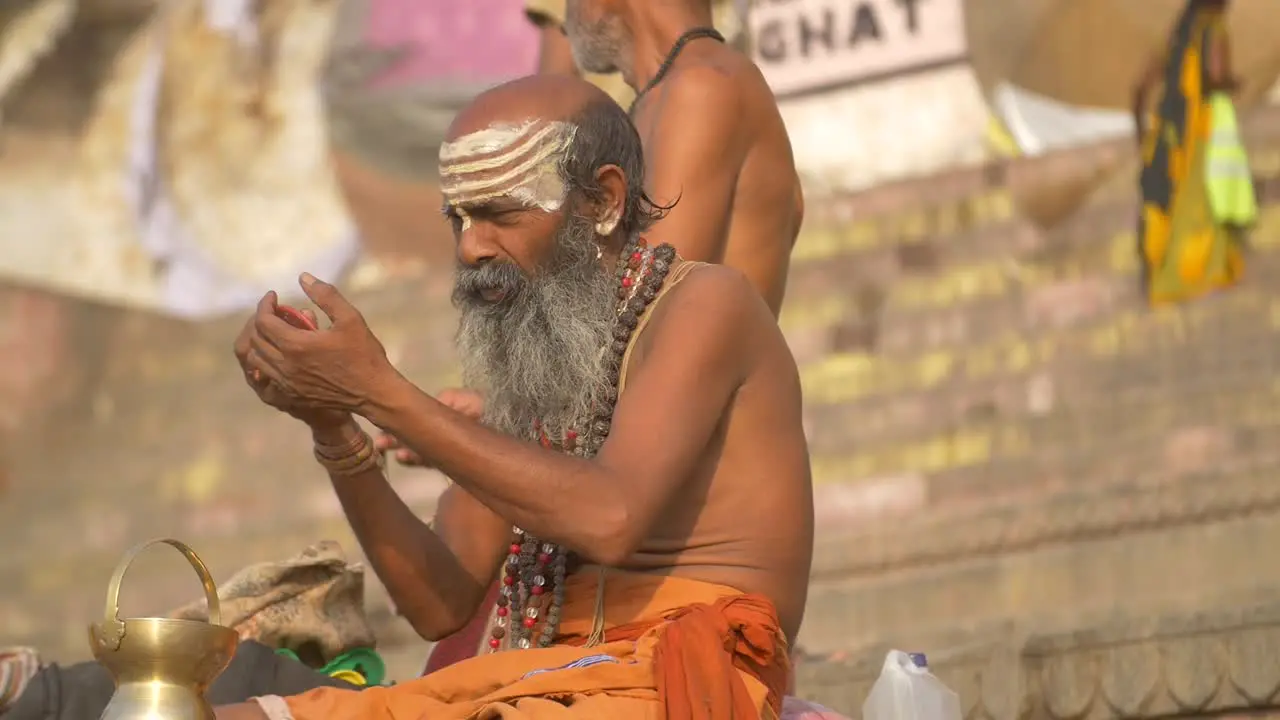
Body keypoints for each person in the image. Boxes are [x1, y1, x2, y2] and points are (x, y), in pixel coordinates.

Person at [219, 72, 813, 720]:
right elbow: (438, 602)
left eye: (500, 213)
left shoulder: (703, 305)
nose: (472, 247)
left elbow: (610, 519)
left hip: (675, 680)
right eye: (459, 218)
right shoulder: (539, 359)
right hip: (534, 681)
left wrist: (381, 391)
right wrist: (334, 425)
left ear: (602, 202)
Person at [1133, 0, 1248, 305]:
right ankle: (1199, 279)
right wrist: (1233, 83)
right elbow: (1215, 75)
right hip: (1199, 134)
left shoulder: (1176, 34)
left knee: (1171, 206)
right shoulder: (1213, 28)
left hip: (1167, 132)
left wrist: (1141, 135)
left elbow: (1140, 89)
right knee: (1202, 208)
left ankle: (1166, 282)